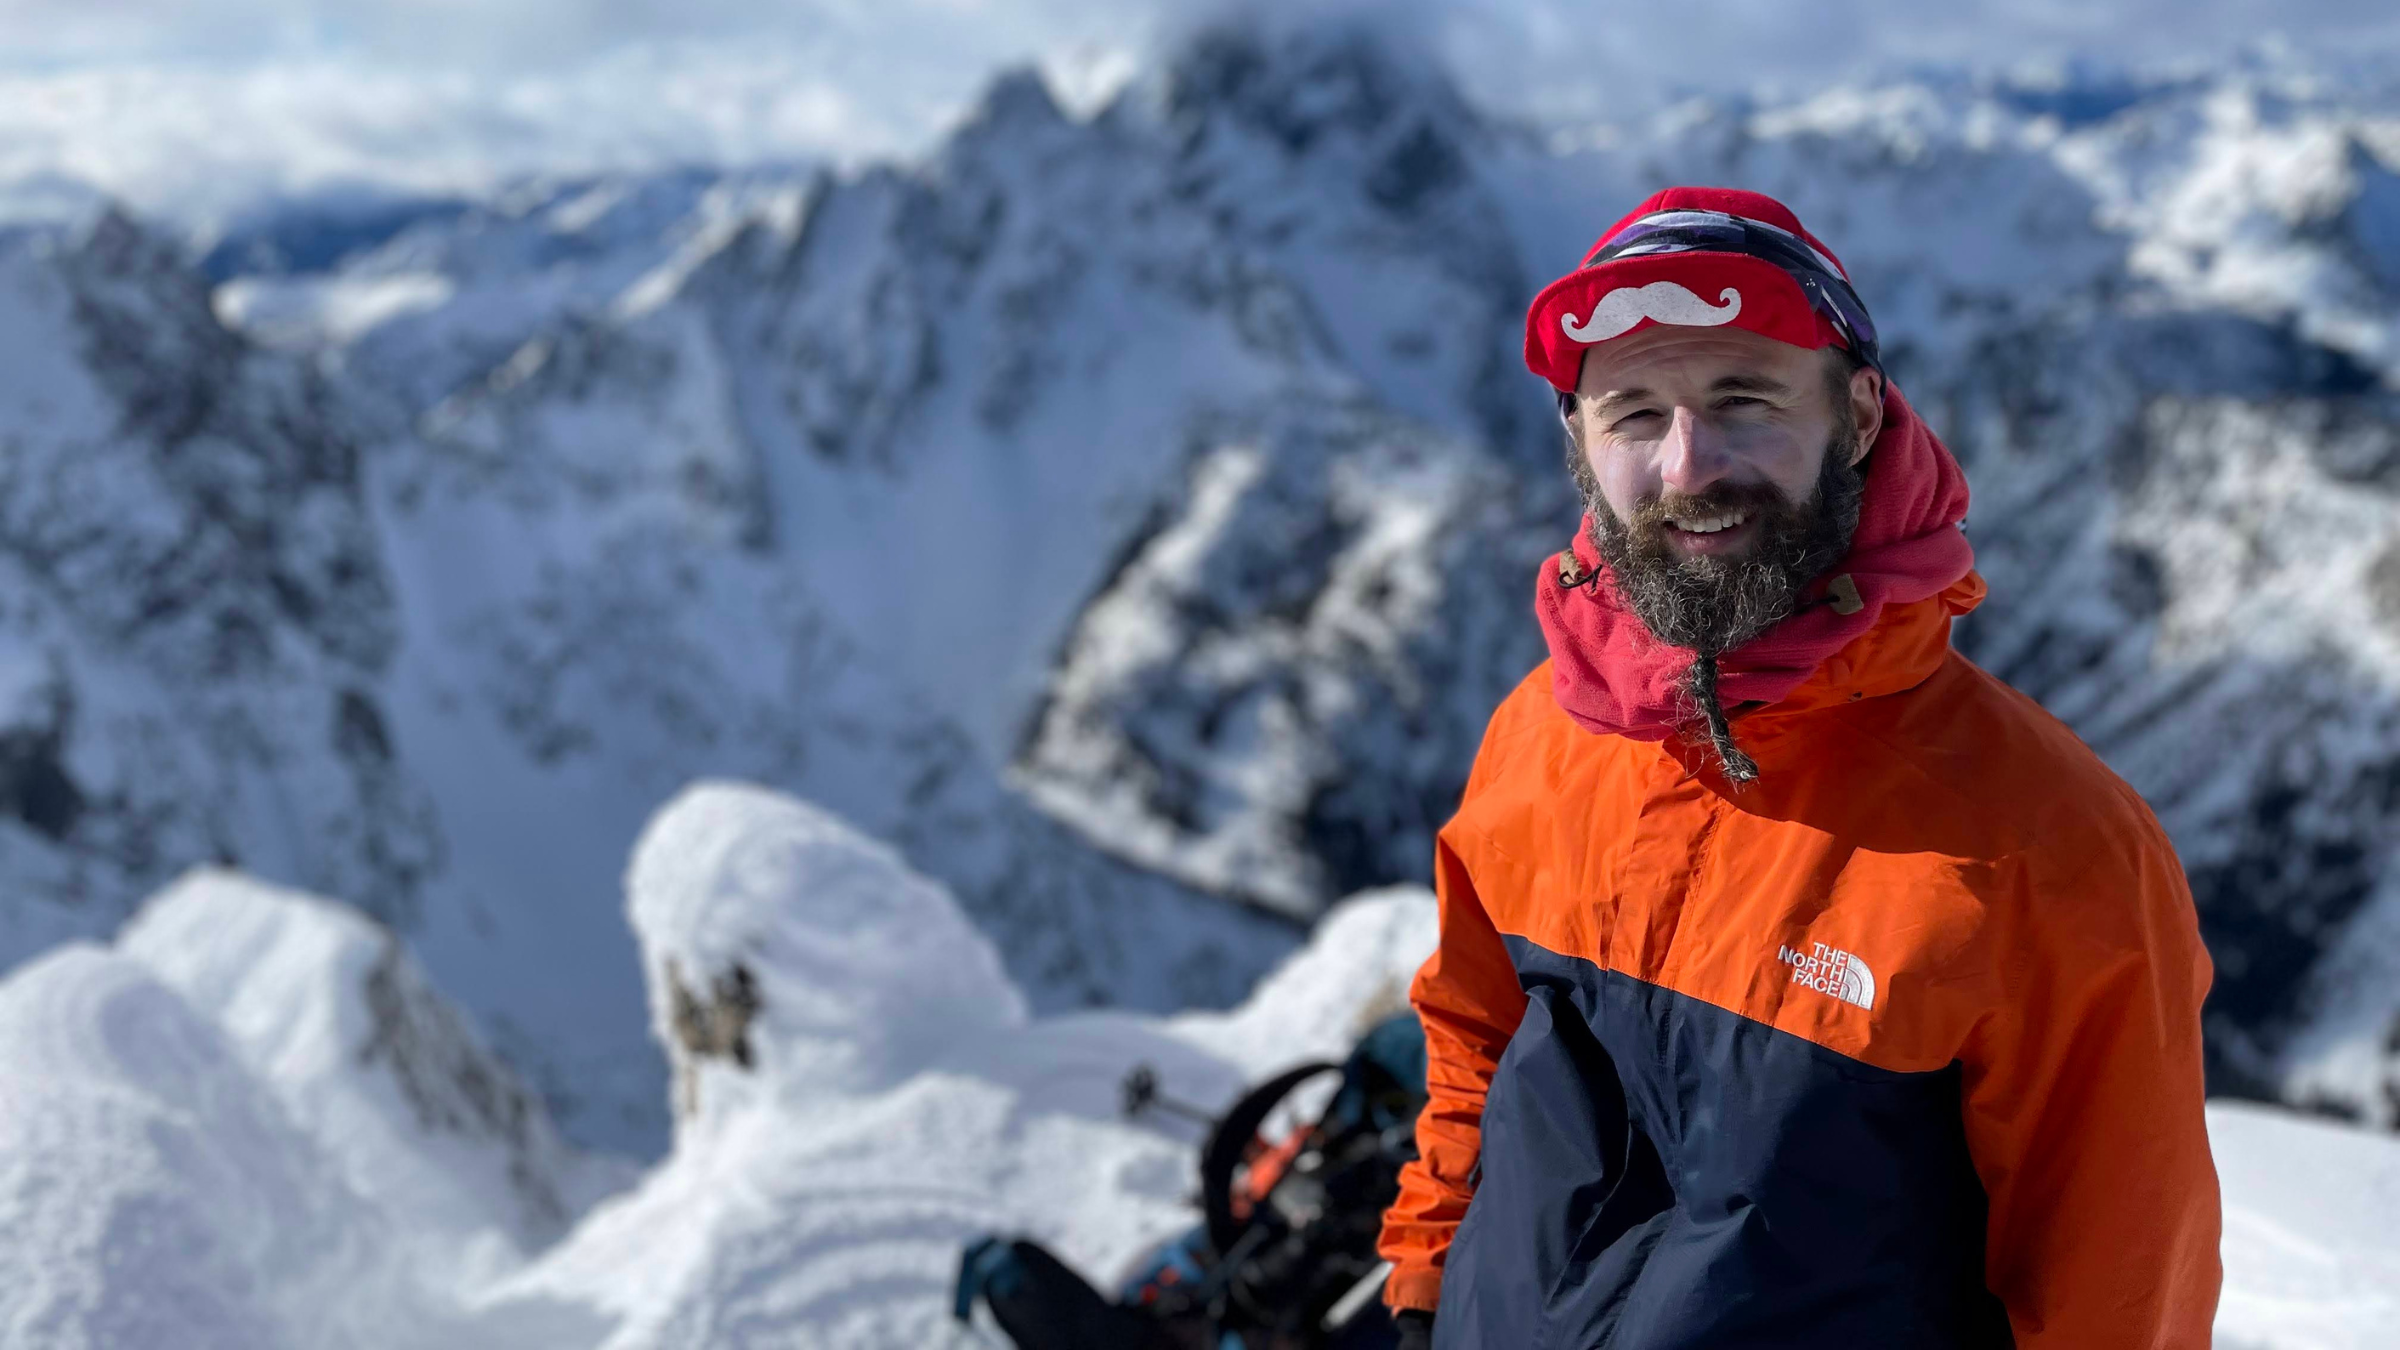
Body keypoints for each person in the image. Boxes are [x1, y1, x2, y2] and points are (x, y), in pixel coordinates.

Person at [1374, 186, 2221, 1349]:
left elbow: (2117, 1298)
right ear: (1578, 439)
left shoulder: (2046, 851)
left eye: (1743, 398)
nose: (1687, 466)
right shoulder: (1543, 734)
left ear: (1860, 413)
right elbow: (1475, 1037)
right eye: (1633, 414)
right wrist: (1427, 1281)